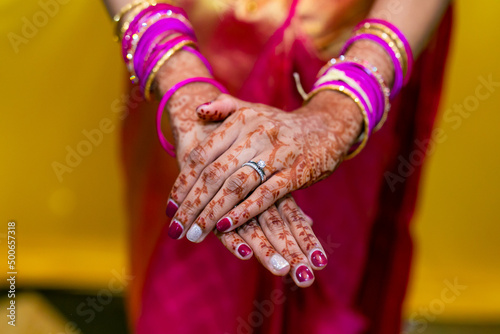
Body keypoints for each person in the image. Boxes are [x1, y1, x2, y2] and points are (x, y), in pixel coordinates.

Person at [102, 0, 453, 332]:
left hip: (364, 35)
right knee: (187, 291)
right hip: (191, 32)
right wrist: (178, 75)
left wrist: (346, 102)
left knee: (330, 274)